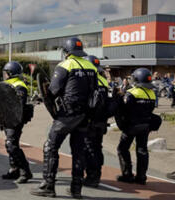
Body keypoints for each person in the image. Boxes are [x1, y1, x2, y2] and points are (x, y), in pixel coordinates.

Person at [30, 38, 97, 198]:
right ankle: (76, 189)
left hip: (67, 115)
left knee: (50, 147)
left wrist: (43, 94)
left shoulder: (65, 65)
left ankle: (48, 185)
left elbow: (53, 90)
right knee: (78, 152)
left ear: (66, 52)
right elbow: (94, 91)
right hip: (85, 115)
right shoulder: (91, 67)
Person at [115, 68, 161, 185]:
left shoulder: (132, 93)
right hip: (145, 126)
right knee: (142, 150)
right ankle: (141, 177)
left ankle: (127, 174)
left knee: (122, 148)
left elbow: (124, 109)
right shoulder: (151, 94)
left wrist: (120, 97)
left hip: (131, 126)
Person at [82, 55, 119, 188]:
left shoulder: (88, 81)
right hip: (101, 122)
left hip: (90, 121)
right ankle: (96, 174)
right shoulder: (104, 81)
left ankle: (92, 177)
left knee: (89, 149)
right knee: (97, 148)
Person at [0, 61, 34, 184]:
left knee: (12, 145)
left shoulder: (19, 86)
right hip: (7, 119)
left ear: (11, 73)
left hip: (15, 120)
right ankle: (14, 170)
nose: (4, 75)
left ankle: (26, 172)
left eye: (6, 73)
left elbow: (17, 105)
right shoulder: (7, 84)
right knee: (10, 144)